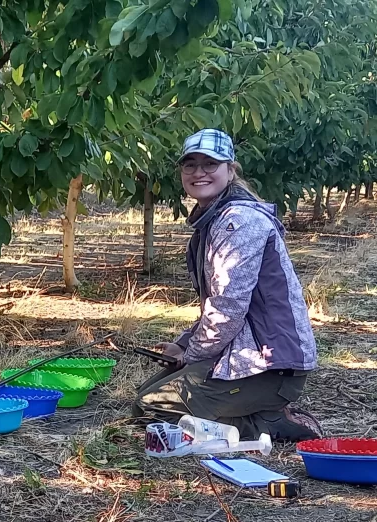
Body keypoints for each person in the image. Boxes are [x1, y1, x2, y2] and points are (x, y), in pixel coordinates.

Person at [132, 129, 323, 442]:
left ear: (230, 170)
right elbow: (218, 304)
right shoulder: (217, 216)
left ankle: (270, 424)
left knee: (153, 408)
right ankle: (256, 412)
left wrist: (191, 355)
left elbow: (228, 308)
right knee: (147, 396)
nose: (198, 172)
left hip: (269, 365)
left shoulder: (238, 221)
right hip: (245, 355)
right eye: (190, 165)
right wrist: (183, 344)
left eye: (210, 164)